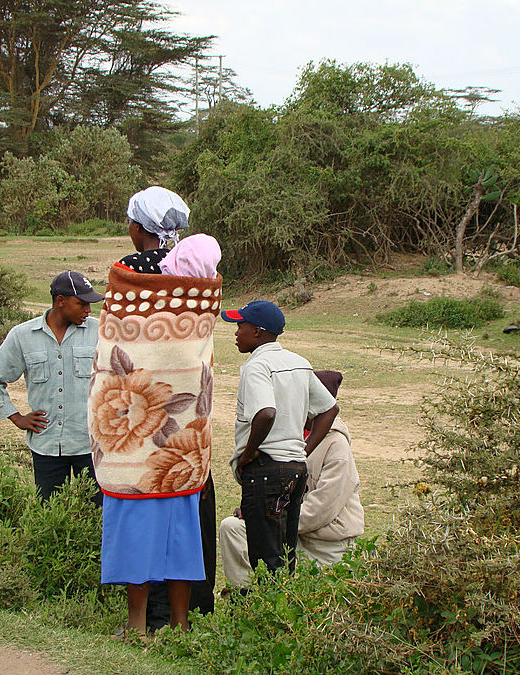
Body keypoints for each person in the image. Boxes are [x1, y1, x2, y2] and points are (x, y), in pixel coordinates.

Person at [96, 186, 216, 636]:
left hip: (132, 434)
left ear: (136, 227)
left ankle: (137, 623)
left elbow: (114, 347)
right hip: (182, 436)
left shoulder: (125, 274)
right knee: (180, 532)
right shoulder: (198, 276)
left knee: (134, 528)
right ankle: (182, 625)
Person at [220, 301, 339, 576]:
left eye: (241, 326)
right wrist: (303, 450)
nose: (236, 332)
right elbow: (329, 409)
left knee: (265, 561)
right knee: (285, 554)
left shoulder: (256, 366)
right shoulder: (299, 363)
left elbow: (265, 413)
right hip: (296, 470)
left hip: (266, 471)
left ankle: (267, 615)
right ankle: (285, 611)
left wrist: (248, 453)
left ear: (258, 332)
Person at [219, 370, 364, 587]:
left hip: (326, 545)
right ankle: (247, 602)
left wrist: (267, 517)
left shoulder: (337, 447)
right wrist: (257, 511)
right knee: (232, 528)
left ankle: (270, 600)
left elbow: (320, 510)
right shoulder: (287, 432)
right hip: (289, 533)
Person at [0, 270, 104, 505]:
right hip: (46, 446)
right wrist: (15, 416)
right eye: (82, 304)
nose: (88, 310)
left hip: (89, 445)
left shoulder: (100, 332)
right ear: (61, 302)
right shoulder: (23, 335)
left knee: (96, 513)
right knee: (49, 512)